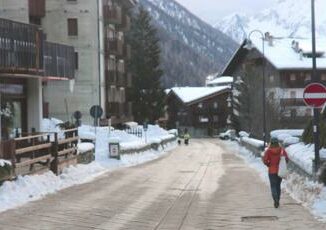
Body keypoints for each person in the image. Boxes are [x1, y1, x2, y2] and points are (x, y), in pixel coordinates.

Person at [263, 137, 289, 208]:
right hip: (280, 170)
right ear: (278, 143)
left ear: (271, 143)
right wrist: (282, 163)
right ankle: (278, 199)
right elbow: (287, 159)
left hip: (272, 171)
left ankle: (275, 200)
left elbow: (265, 161)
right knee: (278, 186)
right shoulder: (282, 150)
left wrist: (269, 164)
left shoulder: (268, 151)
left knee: (273, 186)